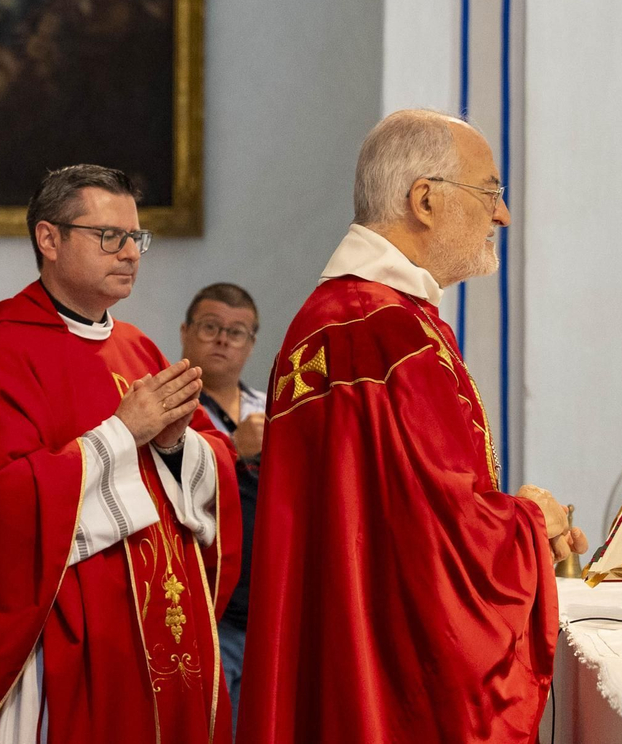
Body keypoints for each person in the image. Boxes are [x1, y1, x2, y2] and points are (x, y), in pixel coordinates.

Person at [238, 109, 587, 744]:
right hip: (391, 697)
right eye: (490, 193)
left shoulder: (332, 320)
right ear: (424, 200)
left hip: (341, 670)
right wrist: (534, 522)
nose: (502, 216)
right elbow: (444, 548)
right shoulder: (388, 337)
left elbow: (392, 525)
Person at [0, 165, 243, 744]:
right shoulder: (4, 357)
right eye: (110, 237)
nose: (130, 253)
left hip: (156, 632)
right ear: (48, 239)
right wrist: (121, 433)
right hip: (65, 641)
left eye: (137, 238)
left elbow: (215, 464)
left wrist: (176, 443)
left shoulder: (139, 348)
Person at [182, 283, 265, 730]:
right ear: (186, 332)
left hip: (265, 607)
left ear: (251, 344)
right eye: (210, 327)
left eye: (236, 332)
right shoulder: (163, 405)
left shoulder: (272, 409)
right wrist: (233, 447)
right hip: (203, 606)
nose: (222, 340)